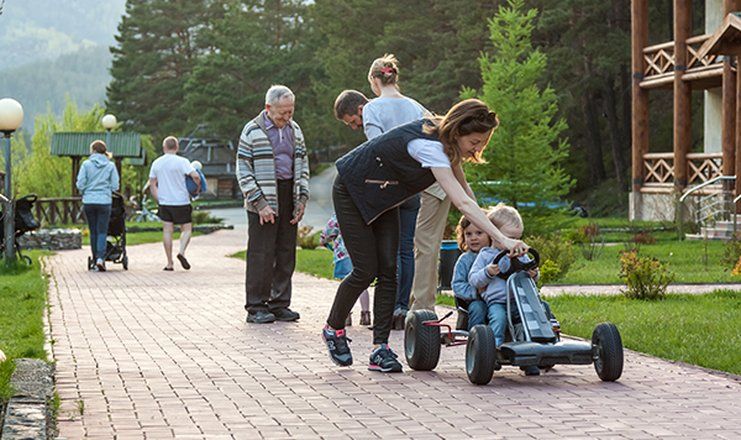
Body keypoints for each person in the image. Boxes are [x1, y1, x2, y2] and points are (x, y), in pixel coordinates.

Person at [321, 98, 529, 373]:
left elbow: (467, 193)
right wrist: (502, 239)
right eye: (475, 142)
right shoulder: (430, 146)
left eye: (482, 144)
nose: (477, 149)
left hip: (385, 195)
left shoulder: (448, 144)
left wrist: (493, 229)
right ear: (459, 132)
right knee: (366, 269)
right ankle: (333, 328)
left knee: (390, 270)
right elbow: (461, 203)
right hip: (352, 189)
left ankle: (380, 349)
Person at [334, 54, 429, 330]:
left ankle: (386, 310)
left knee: (389, 252)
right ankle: (401, 308)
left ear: (374, 81)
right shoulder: (416, 106)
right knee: (406, 248)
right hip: (411, 186)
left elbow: (379, 150)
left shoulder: (372, 109)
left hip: (387, 188)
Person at [236, 85, 310, 324]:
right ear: (268, 108)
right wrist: (259, 203)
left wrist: (302, 198)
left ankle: (279, 303)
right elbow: (243, 170)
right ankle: (256, 306)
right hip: (263, 196)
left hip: (289, 193)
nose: (287, 117)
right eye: (282, 113)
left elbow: (303, 165)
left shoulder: (295, 130)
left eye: (291, 112)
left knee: (286, 252)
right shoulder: (252, 130)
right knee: (261, 253)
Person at [467, 204, 540, 376]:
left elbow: (532, 272)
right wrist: (487, 272)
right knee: (498, 320)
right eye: (510, 238)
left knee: (527, 325)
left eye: (518, 238)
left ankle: (529, 357)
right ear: (494, 234)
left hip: (519, 302)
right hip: (497, 302)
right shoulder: (485, 255)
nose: (515, 242)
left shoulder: (521, 254)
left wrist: (534, 274)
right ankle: (492, 354)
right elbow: (473, 279)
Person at [148, 136, 201, 271]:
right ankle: (181, 252)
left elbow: (152, 184)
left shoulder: (157, 163)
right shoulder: (182, 161)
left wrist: (158, 198)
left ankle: (169, 263)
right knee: (187, 229)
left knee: (167, 231)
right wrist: (197, 188)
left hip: (165, 202)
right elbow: (195, 176)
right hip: (182, 201)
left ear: (164, 147)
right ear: (177, 147)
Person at [320, 213, 371, 327]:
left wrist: (323, 239)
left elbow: (330, 229)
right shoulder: (365, 211)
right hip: (363, 251)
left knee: (347, 285)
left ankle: (346, 315)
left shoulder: (341, 211)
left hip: (345, 253)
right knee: (362, 284)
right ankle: (366, 314)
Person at [76, 140, 119, 272]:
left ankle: (95, 259)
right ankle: (100, 258)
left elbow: (80, 184)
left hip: (89, 201)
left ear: (93, 151)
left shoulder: (86, 165)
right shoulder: (110, 166)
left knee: (93, 231)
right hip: (104, 201)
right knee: (102, 231)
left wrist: (86, 191)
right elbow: (115, 186)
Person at [451, 214, 489, 331]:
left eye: (479, 233)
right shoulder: (465, 260)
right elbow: (457, 285)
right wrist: (475, 292)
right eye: (468, 234)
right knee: (478, 308)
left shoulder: (496, 255)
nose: (473, 238)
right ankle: (477, 337)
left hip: (498, 299)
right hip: (475, 301)